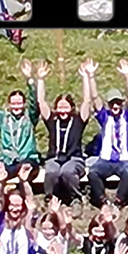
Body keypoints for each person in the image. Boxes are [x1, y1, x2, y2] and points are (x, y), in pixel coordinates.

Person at [0, 63, 43, 211]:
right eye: (13, 104)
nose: (16, 107)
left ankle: (25, 206)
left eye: (19, 103)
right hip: (8, 161)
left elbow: (36, 103)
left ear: (24, 104)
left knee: (24, 171)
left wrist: (29, 79)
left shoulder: (30, 117)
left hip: (27, 159)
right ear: (9, 104)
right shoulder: (3, 118)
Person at [82, 59, 128, 208]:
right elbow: (95, 98)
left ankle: (119, 201)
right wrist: (91, 76)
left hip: (125, 159)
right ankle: (102, 201)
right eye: (112, 103)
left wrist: (127, 75)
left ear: (121, 104)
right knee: (93, 172)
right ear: (109, 105)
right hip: (106, 159)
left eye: (118, 103)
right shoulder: (105, 117)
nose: (115, 106)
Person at [41, 62, 92, 208]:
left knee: (67, 171)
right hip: (55, 158)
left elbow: (87, 101)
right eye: (60, 107)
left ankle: (76, 198)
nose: (62, 110)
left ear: (72, 108)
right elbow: (41, 102)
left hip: (74, 159)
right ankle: (50, 198)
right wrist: (41, 80)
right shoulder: (53, 121)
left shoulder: (78, 120)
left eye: (66, 107)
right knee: (51, 171)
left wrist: (86, 77)